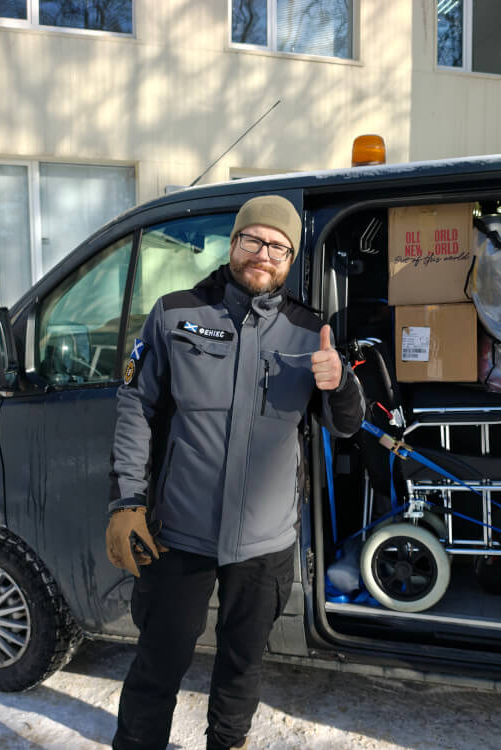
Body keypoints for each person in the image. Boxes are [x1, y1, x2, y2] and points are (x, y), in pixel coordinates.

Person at [106, 195, 365, 750]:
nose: (263, 254)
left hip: (264, 545)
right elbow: (136, 407)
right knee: (157, 666)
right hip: (179, 536)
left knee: (242, 668)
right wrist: (127, 501)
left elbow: (345, 425)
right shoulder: (176, 314)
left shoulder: (309, 330)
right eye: (253, 241)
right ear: (234, 244)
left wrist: (339, 381)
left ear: (290, 258)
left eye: (278, 246)